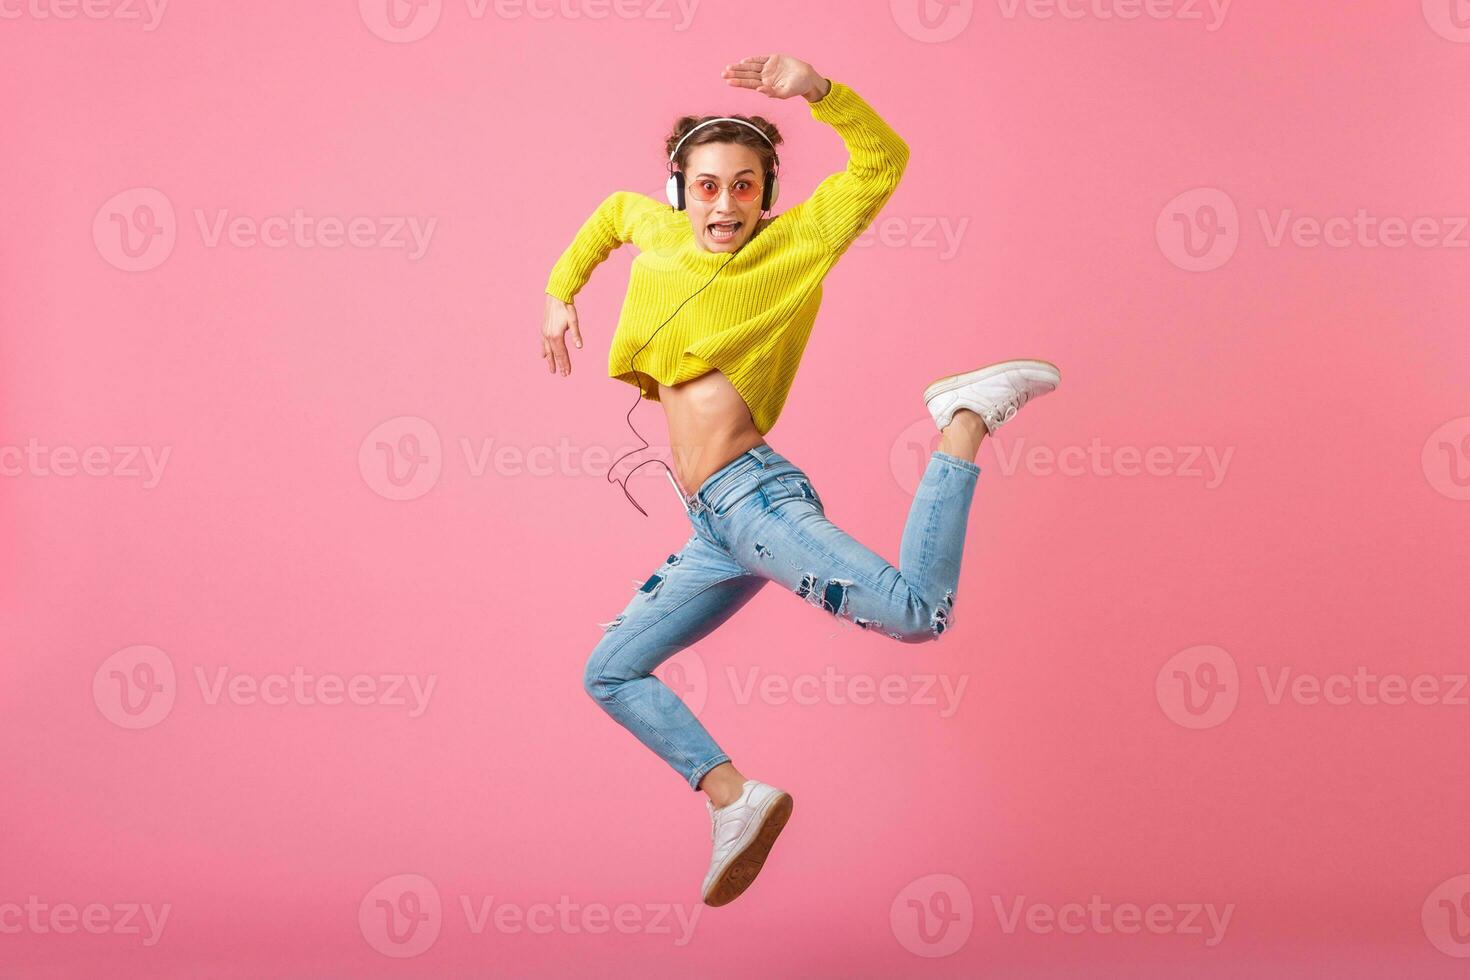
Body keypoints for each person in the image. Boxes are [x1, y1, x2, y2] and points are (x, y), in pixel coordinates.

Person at [539, 53, 1060, 908]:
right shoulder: (657, 225)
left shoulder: (794, 247)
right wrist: (561, 292)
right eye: (706, 187)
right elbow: (608, 217)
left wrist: (820, 93)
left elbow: (880, 163)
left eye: (745, 188)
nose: (724, 205)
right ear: (680, 191)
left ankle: (965, 415)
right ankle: (735, 799)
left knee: (918, 613)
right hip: (712, 525)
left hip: (754, 497)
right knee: (610, 671)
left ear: (766, 194)